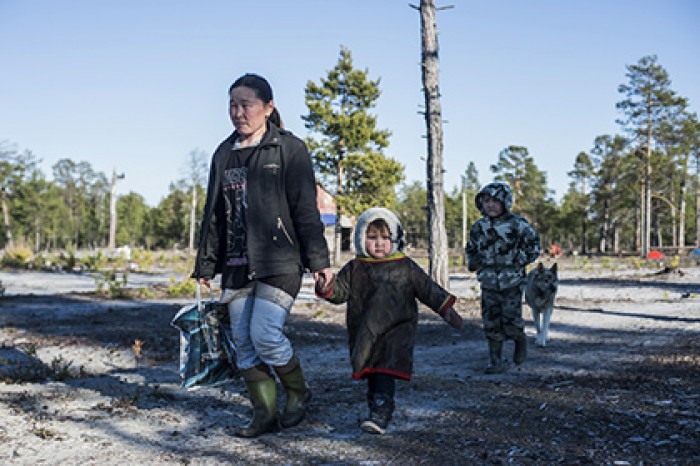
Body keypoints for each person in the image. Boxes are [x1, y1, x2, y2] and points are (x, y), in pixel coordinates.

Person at [192, 73, 333, 438]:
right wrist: (206, 263)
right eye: (233, 105)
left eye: (247, 104)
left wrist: (319, 262)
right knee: (242, 342)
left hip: (280, 260)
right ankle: (264, 413)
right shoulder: (223, 153)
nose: (238, 112)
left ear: (268, 107)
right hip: (237, 264)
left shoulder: (289, 149)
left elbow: (305, 210)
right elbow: (214, 214)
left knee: (266, 334)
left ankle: (298, 393)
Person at [315, 207, 463, 435]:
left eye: (385, 237)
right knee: (372, 368)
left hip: (397, 328)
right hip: (366, 329)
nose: (379, 243)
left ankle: (381, 412)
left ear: (395, 238)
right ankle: (376, 405)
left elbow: (427, 289)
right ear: (361, 237)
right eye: (372, 237)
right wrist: (326, 286)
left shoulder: (405, 266)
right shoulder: (355, 267)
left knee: (385, 366)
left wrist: (446, 310)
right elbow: (340, 292)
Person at [465, 181, 540, 374]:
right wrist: (474, 263)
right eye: (486, 200)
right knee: (490, 321)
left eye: (495, 201)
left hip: (512, 282)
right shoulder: (478, 227)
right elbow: (471, 248)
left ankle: (519, 340)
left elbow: (533, 246)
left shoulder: (518, 225)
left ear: (505, 202)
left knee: (511, 320)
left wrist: (520, 260)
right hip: (488, 282)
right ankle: (495, 361)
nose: (490, 205)